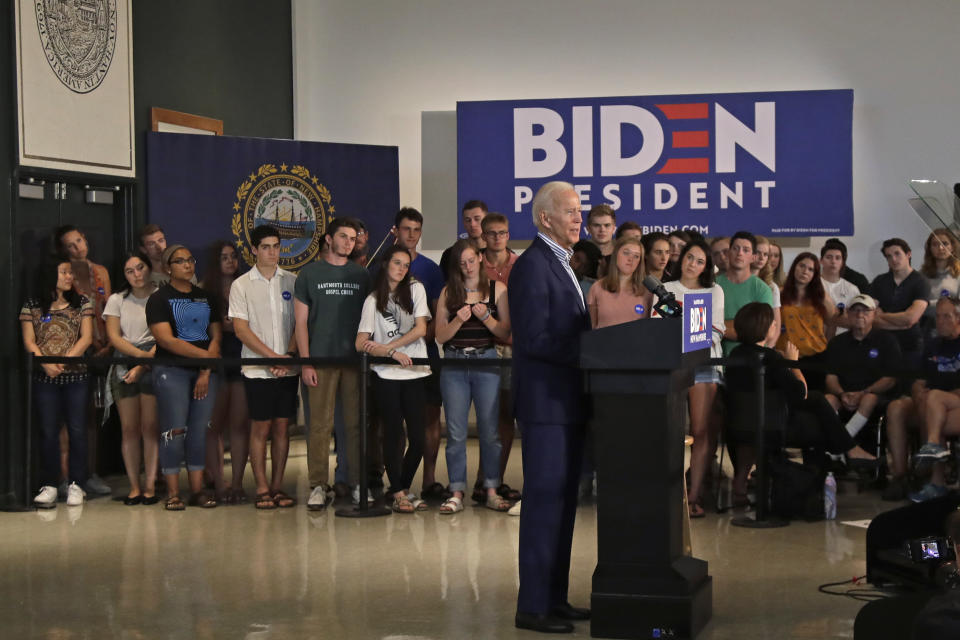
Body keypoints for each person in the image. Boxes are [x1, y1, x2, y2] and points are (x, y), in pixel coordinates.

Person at [510, 181, 592, 634]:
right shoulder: (531, 267)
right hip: (545, 405)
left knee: (562, 506)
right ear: (546, 219)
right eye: (572, 211)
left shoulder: (564, 264)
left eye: (579, 211)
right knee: (543, 505)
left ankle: (555, 598)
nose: (579, 218)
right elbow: (535, 338)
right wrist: (591, 350)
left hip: (569, 402)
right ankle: (533, 607)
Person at [726, 302, 877, 503]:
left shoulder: (733, 356)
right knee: (818, 415)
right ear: (767, 328)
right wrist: (793, 362)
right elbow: (800, 393)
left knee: (817, 404)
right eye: (773, 324)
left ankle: (844, 450)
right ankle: (833, 464)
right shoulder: (771, 358)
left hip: (738, 425)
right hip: (774, 426)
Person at [295, 217, 372, 508]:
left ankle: (355, 483)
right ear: (329, 239)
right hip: (320, 360)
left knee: (353, 425)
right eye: (343, 237)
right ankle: (318, 485)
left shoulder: (361, 275)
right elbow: (300, 323)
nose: (348, 243)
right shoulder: (309, 274)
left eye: (353, 238)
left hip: (355, 362)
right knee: (319, 425)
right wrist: (305, 362)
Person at [435, 238, 512, 513]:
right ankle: (456, 491)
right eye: (461, 262)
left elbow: (505, 332)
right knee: (456, 433)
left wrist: (485, 318)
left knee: (490, 432)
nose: (467, 266)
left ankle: (490, 488)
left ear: (480, 258)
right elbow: (440, 335)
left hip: (487, 363)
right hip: (454, 364)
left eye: (471, 260)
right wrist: (458, 319)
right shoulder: (449, 293)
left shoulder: (497, 290)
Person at [356, 245, 432, 513]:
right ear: (385, 263)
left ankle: (401, 486)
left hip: (413, 372)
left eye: (405, 264)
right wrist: (390, 353)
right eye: (397, 263)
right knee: (393, 433)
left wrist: (392, 349)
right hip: (386, 375)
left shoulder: (416, 290)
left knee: (419, 439)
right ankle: (399, 492)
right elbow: (360, 342)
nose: (401, 269)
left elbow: (422, 328)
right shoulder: (372, 300)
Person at [228, 225, 299, 509]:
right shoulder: (241, 284)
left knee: (282, 428)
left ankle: (278, 486)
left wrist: (289, 354)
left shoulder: (292, 281)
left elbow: (299, 324)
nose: (272, 252)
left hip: (288, 367)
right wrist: (271, 357)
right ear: (254, 250)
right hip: (258, 369)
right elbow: (241, 329)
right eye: (266, 246)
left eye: (276, 246)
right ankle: (261, 487)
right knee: (260, 428)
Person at [146, 245, 222, 510]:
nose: (188, 265)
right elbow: (167, 340)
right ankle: (174, 492)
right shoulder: (159, 299)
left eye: (190, 260)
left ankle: (198, 490)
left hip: (205, 373)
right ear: (168, 268)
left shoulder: (205, 297)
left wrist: (206, 369)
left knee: (199, 430)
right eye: (180, 261)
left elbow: (216, 336)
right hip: (172, 370)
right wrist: (204, 360)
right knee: (174, 430)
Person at [654, 240, 725, 518]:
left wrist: (688, 334)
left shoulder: (714, 290)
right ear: (680, 258)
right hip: (671, 365)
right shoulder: (665, 289)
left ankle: (694, 495)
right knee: (671, 431)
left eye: (699, 261)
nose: (692, 264)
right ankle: (672, 494)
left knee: (700, 431)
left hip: (705, 364)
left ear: (706, 267)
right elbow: (655, 327)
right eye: (689, 257)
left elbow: (716, 331)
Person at [22, 258, 94, 508]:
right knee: (48, 431)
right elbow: (30, 341)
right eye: (63, 272)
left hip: (76, 375)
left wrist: (64, 361)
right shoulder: (32, 305)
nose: (68, 277)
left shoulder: (82, 302)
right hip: (45, 376)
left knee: (77, 430)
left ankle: (77, 484)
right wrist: (45, 363)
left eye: (70, 272)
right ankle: (50, 484)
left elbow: (86, 338)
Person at [387, 207, 448, 501]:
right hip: (389, 358)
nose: (411, 235)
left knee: (430, 417)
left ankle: (429, 479)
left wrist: (419, 341)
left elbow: (437, 315)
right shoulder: (383, 267)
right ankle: (397, 482)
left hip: (424, 354)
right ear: (396, 231)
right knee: (393, 420)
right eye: (406, 229)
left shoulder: (431, 270)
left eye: (416, 230)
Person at [54, 225, 112, 497]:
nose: (77, 247)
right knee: (68, 417)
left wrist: (108, 342)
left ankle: (90, 473)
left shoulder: (100, 272)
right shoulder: (63, 275)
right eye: (70, 245)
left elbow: (109, 309)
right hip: (73, 348)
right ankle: (65, 477)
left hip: (101, 348)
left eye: (79, 240)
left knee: (93, 415)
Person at [884, 296, 960, 501]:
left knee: (935, 403)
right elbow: (918, 380)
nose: (940, 321)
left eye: (946, 317)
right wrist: (918, 395)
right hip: (930, 404)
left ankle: (935, 479)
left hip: (953, 403)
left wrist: (936, 400)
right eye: (938, 316)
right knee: (897, 407)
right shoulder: (933, 345)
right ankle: (901, 476)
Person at [103, 253, 159, 505]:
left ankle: (150, 484)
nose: (137, 274)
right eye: (130, 271)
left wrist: (145, 362)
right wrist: (138, 357)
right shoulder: (117, 299)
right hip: (124, 361)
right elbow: (114, 336)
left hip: (154, 360)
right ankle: (134, 486)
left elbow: (167, 335)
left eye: (140, 268)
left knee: (150, 426)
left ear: (149, 268)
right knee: (129, 428)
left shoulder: (160, 295)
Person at [478, 213, 522, 503]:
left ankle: (495, 479)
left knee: (505, 417)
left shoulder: (520, 266)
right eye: (491, 233)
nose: (497, 237)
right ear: (483, 236)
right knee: (486, 419)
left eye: (502, 233)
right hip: (482, 347)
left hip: (512, 348)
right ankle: (484, 481)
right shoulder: (474, 265)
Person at [201, 241, 249, 503]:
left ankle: (239, 483)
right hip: (216, 360)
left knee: (240, 425)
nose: (230, 262)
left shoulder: (246, 286)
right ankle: (219, 483)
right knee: (214, 426)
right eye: (224, 258)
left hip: (242, 358)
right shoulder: (204, 291)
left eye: (233, 256)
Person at [822, 294, 900, 458]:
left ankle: (837, 450)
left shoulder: (887, 341)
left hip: (873, 396)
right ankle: (846, 449)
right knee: (828, 400)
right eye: (855, 310)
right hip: (843, 395)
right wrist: (842, 394)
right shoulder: (837, 343)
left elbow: (890, 378)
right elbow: (831, 377)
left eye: (865, 311)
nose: (860, 315)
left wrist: (864, 392)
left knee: (869, 399)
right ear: (848, 314)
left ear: (874, 314)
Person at [777, 252, 837, 390]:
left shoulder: (821, 297)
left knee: (814, 400)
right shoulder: (779, 294)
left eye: (811, 269)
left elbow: (832, 321)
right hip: (786, 357)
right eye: (802, 266)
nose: (805, 271)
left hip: (815, 357)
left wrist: (827, 345)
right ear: (794, 268)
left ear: (815, 274)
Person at [870, 238, 929, 368]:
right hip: (882, 343)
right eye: (889, 256)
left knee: (907, 385)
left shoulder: (921, 282)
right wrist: (901, 323)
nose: (894, 259)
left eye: (897, 254)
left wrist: (882, 315)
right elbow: (869, 317)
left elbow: (911, 318)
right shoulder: (879, 281)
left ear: (908, 254)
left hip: (910, 346)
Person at [717, 231, 775, 355]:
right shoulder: (713, 285)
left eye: (746, 250)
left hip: (750, 362)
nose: (740, 253)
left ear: (753, 257)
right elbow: (702, 325)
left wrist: (717, 325)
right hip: (715, 360)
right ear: (728, 253)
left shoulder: (762, 289)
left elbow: (761, 332)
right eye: (736, 248)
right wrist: (745, 327)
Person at [586, 236, 652, 327]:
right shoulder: (597, 287)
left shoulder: (647, 291)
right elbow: (591, 328)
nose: (630, 259)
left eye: (636, 256)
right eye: (626, 253)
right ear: (615, 254)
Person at [919, 229, 960, 340]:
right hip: (926, 327)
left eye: (945, 243)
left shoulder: (958, 274)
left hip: (953, 328)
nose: (941, 248)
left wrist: (929, 304)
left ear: (952, 246)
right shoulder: (922, 275)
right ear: (930, 249)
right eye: (935, 244)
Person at [820, 239, 860, 338]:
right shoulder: (812, 284)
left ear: (842, 262)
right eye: (829, 257)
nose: (833, 261)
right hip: (815, 339)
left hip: (843, 340)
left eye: (838, 258)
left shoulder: (852, 289)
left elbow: (856, 319)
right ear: (821, 261)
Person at [439, 200, 488, 278]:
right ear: (464, 223)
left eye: (477, 219)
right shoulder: (449, 254)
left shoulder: (499, 254)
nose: (472, 224)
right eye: (468, 220)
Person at [586, 204, 616, 278]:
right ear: (588, 229)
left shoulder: (622, 251)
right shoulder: (578, 252)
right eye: (596, 225)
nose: (602, 230)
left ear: (614, 228)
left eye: (607, 225)